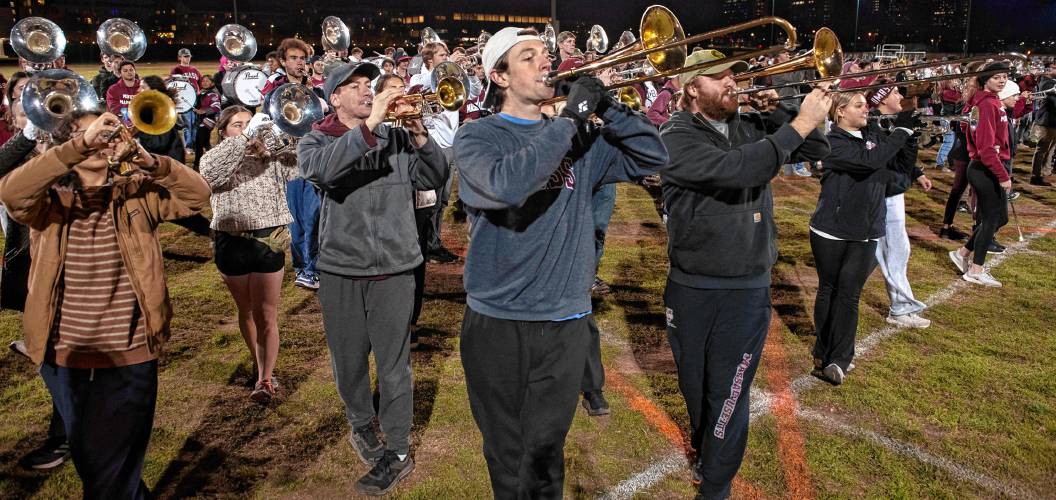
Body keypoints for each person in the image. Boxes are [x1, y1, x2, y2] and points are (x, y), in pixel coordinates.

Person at [454, 27, 667, 497]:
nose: (545, 63)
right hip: (498, 320)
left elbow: (655, 155)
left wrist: (608, 107)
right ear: (499, 76)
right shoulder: (477, 137)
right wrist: (570, 120)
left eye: (544, 55)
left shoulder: (581, 137)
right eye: (527, 57)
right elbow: (509, 184)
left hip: (565, 319)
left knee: (547, 452)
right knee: (507, 451)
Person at [0, 109, 209, 499]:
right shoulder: (48, 201)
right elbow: (11, 192)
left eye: (104, 132)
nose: (98, 139)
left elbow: (197, 196)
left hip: (130, 350)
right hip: (66, 352)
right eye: (83, 133)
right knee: (95, 458)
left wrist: (149, 161)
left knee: (113, 463)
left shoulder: (137, 192)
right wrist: (79, 146)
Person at [658, 49, 830, 497]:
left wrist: (781, 111)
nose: (732, 83)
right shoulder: (674, 135)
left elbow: (815, 147)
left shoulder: (747, 122)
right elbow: (736, 170)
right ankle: (704, 447)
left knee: (729, 392)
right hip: (691, 284)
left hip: (745, 286)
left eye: (732, 75)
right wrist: (794, 126)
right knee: (695, 386)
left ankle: (716, 483)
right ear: (692, 89)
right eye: (718, 78)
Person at [298, 61, 449, 495]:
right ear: (335, 98)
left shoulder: (397, 134)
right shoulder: (315, 140)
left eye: (370, 84)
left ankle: (398, 449)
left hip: (396, 267)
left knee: (394, 365)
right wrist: (370, 130)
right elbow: (325, 173)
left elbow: (435, 178)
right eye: (356, 86)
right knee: (348, 362)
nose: (368, 92)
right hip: (341, 267)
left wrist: (420, 134)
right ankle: (361, 423)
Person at [810, 91, 914, 386]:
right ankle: (823, 348)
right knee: (828, 290)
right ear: (840, 112)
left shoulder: (874, 136)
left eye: (865, 104)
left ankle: (839, 359)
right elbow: (869, 162)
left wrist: (910, 137)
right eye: (859, 105)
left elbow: (900, 170)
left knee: (849, 294)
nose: (866, 109)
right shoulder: (832, 142)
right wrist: (899, 134)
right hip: (830, 229)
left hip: (867, 230)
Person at [200, 106, 299, 403]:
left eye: (250, 124)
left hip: (268, 240)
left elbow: (300, 165)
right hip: (230, 241)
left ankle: (265, 379)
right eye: (237, 125)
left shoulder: (271, 158)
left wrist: (284, 138)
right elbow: (210, 173)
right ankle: (259, 363)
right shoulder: (213, 156)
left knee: (266, 313)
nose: (245, 129)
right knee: (246, 311)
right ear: (224, 131)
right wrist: (245, 140)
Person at [865, 84, 933, 329]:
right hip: (883, 194)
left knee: (886, 252)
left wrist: (912, 141)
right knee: (893, 251)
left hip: (892, 191)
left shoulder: (888, 123)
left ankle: (899, 305)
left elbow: (902, 163)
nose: (901, 97)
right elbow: (885, 159)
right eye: (895, 93)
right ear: (882, 100)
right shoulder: (873, 127)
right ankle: (901, 308)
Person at [949, 62, 1014, 287]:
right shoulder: (985, 104)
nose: (1002, 80)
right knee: (991, 219)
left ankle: (963, 252)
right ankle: (976, 269)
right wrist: (1002, 175)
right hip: (984, 167)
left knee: (998, 218)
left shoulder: (992, 100)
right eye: (997, 77)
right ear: (986, 79)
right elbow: (986, 148)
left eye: (1005, 76)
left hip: (989, 166)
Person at [263, 38, 319, 289]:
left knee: (314, 216)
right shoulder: (274, 90)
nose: (299, 63)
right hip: (288, 164)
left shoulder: (316, 90)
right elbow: (266, 125)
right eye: (294, 58)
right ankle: (301, 266)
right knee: (296, 222)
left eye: (303, 59)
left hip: (313, 159)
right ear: (284, 62)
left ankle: (313, 266)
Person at [410, 41, 460, 264]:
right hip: (433, 146)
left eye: (447, 53)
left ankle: (434, 242)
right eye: (442, 54)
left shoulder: (451, 78)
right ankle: (424, 245)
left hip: (449, 145)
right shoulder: (418, 80)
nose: (447, 57)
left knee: (442, 201)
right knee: (429, 200)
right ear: (430, 60)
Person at [171, 48, 203, 154]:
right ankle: (188, 146)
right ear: (179, 57)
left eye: (188, 56)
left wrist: (200, 93)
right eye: (185, 56)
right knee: (187, 124)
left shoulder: (195, 70)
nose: (187, 58)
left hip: (196, 99)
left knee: (195, 124)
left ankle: (193, 144)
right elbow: (173, 85)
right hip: (184, 100)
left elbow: (201, 82)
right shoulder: (176, 70)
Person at [1029, 63, 1056, 186]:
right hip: (1047, 121)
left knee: (1050, 150)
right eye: (1054, 67)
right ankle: (1036, 176)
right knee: (1042, 149)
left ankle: (1045, 173)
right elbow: (1052, 102)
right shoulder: (1047, 82)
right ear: (1048, 69)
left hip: (1052, 120)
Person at [192, 74, 222, 170]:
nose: (204, 82)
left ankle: (197, 164)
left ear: (212, 83)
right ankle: (216, 161)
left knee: (198, 143)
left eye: (207, 81)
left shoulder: (213, 94)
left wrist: (203, 111)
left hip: (208, 121)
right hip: (201, 121)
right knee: (205, 143)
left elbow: (216, 107)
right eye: (203, 81)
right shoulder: (202, 93)